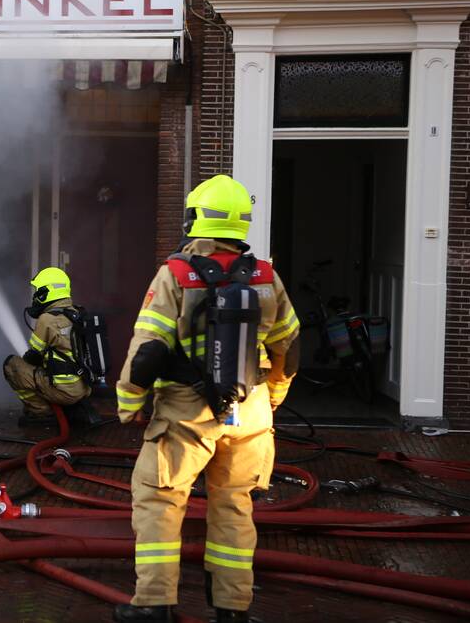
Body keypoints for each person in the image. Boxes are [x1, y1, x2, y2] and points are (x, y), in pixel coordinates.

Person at [112, 175, 300, 623]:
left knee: (159, 500)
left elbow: (148, 350)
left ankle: (155, 605)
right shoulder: (266, 277)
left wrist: (129, 403)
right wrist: (274, 395)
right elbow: (289, 348)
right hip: (250, 410)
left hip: (186, 412)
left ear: (195, 218)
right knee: (234, 507)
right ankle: (233, 611)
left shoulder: (176, 275)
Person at [3, 266, 99, 427]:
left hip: (64, 390)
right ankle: (69, 406)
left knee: (12, 365)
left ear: (46, 292)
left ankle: (41, 411)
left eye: (38, 291)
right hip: (84, 388)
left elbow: (33, 357)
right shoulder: (79, 313)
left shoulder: (47, 319)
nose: (35, 295)